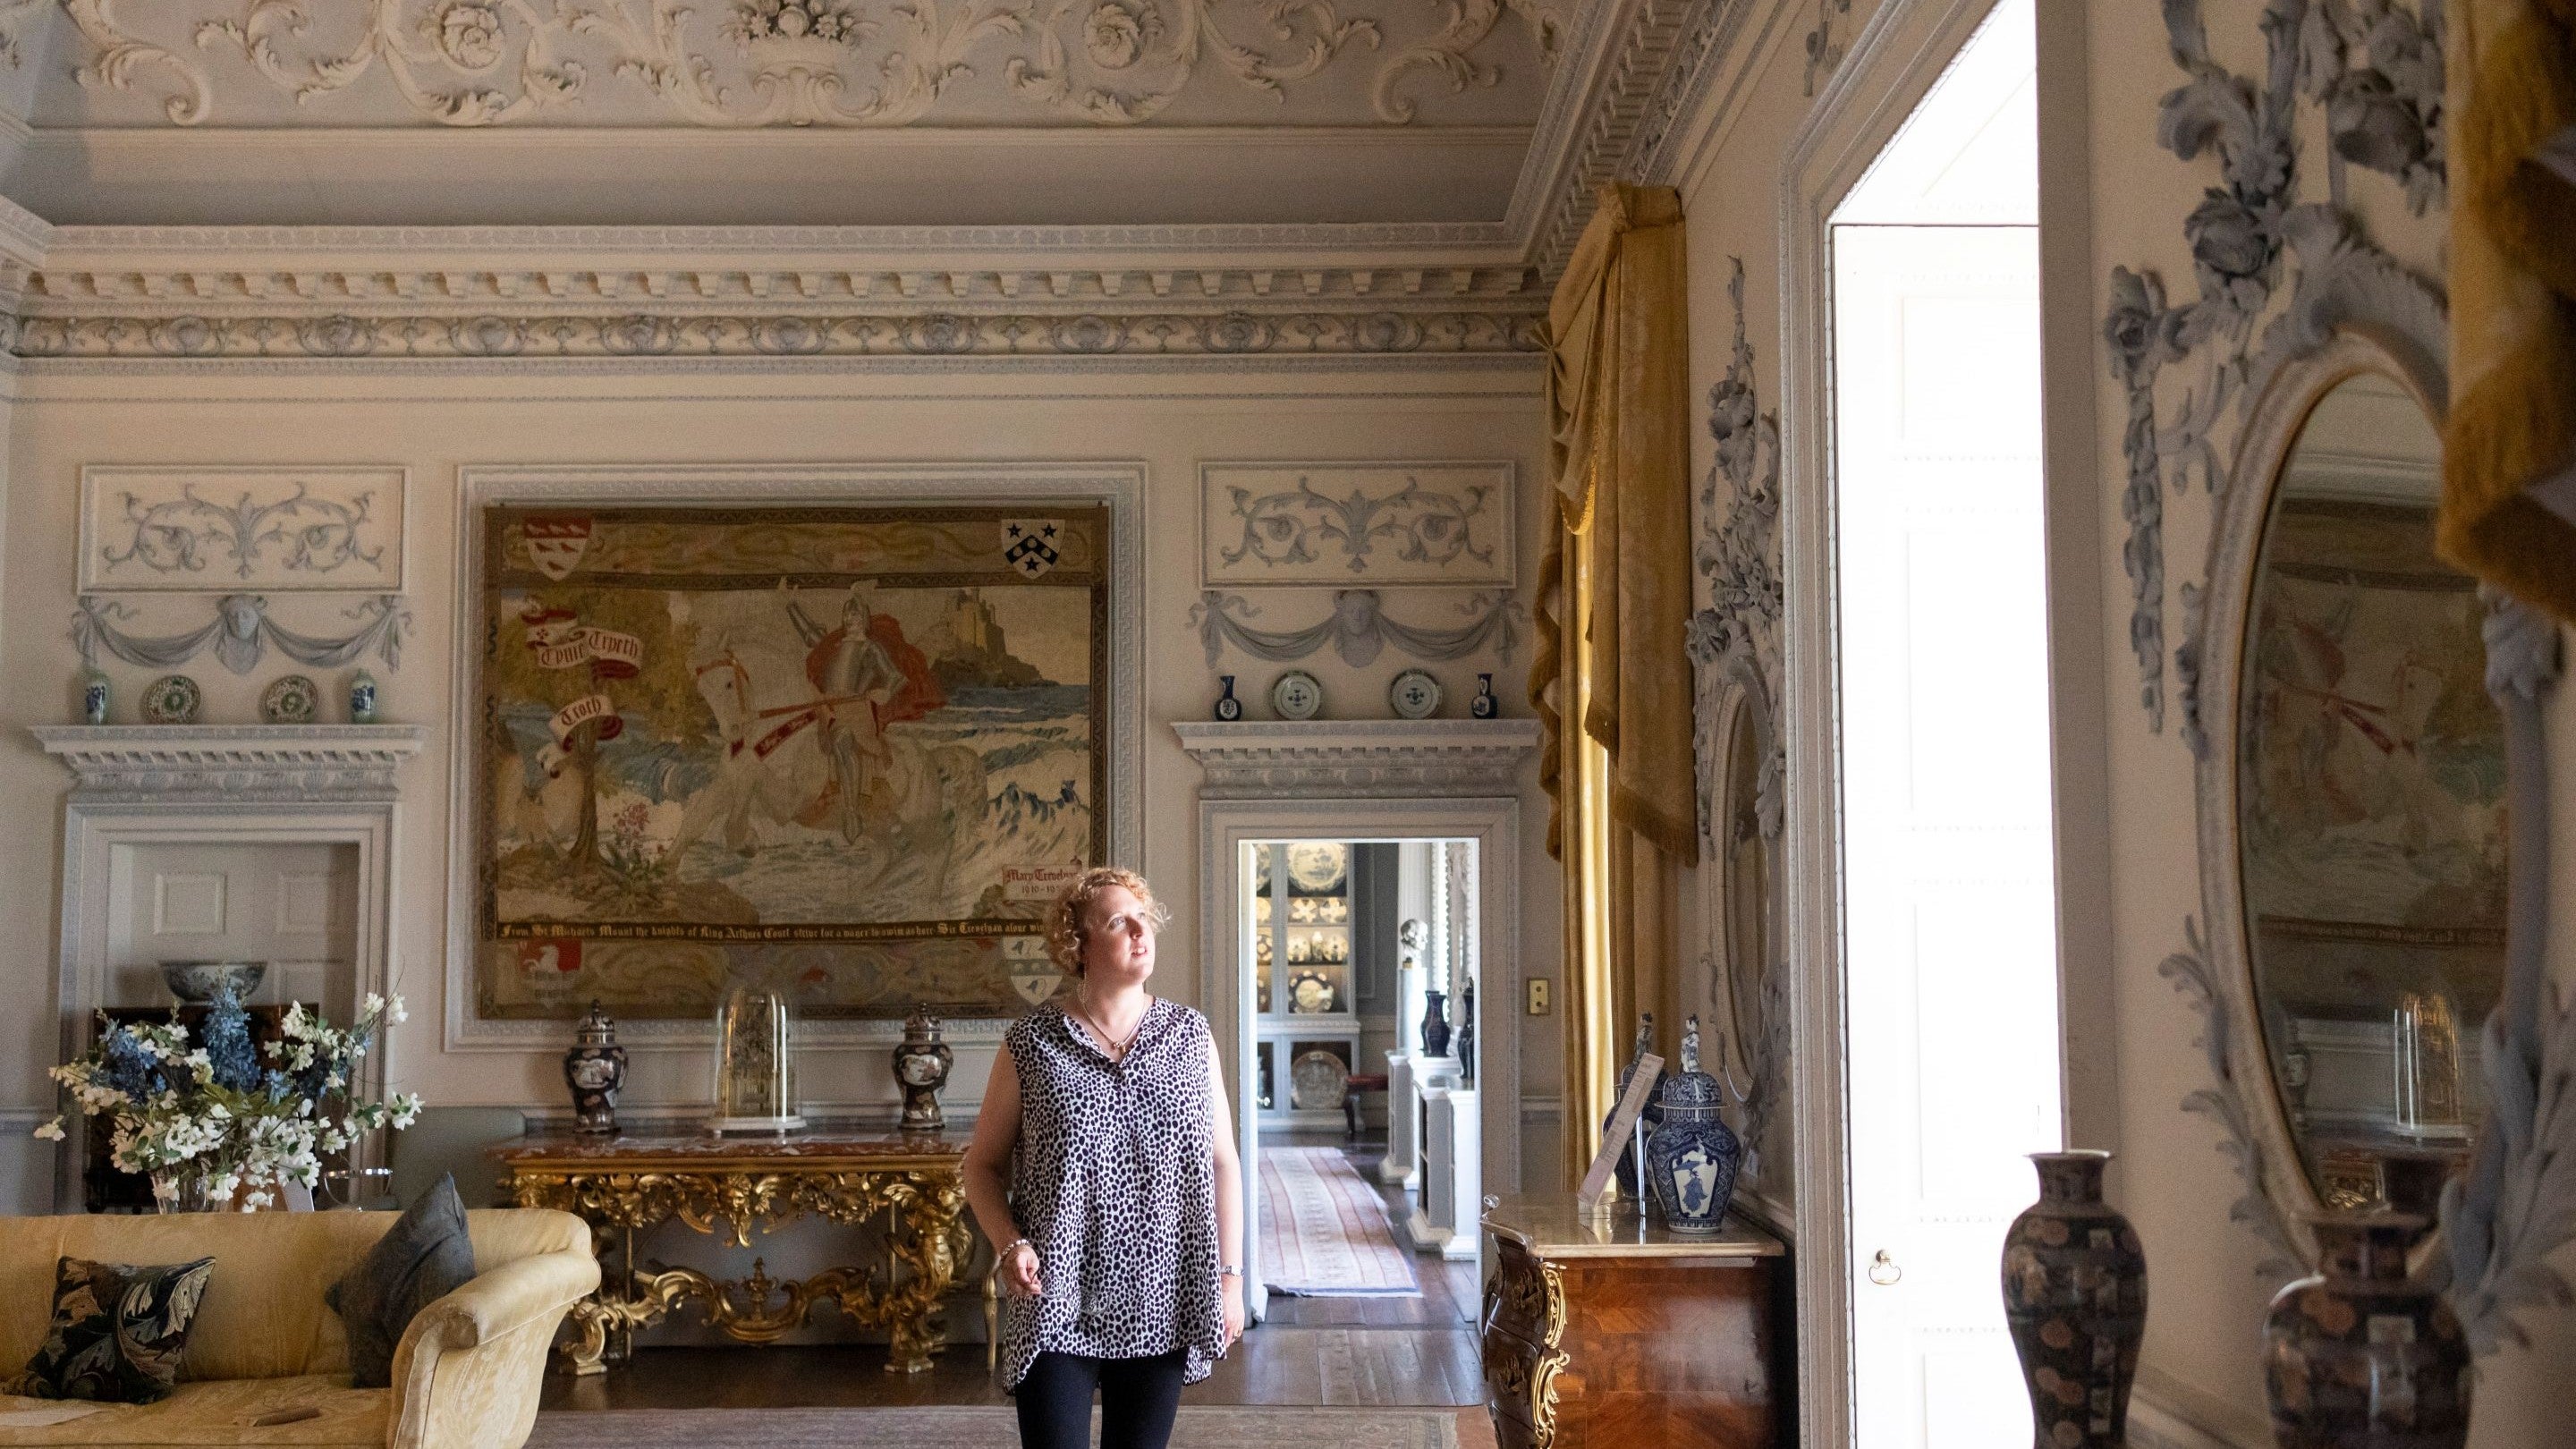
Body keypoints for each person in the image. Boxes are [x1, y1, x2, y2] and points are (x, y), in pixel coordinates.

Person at [962, 867, 1248, 1449]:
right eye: (1119, 922)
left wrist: (1230, 1279)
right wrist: (1009, 1243)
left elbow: (1224, 1163)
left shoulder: (1190, 1036)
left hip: (1160, 1295)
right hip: (1054, 1294)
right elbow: (981, 1166)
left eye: (1144, 918)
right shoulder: (1032, 1043)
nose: (1141, 931)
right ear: (1079, 945)